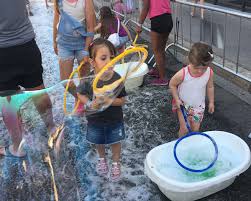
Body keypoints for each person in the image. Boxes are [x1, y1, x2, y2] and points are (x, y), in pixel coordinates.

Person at [0, 0, 57, 157]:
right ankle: (51, 128)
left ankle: (18, 146)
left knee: (9, 102)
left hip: (9, 49)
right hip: (25, 45)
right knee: (35, 93)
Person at [77, 38, 127, 181]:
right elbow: (80, 93)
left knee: (115, 142)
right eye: (103, 58)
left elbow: (122, 100)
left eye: (112, 57)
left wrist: (108, 100)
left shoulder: (117, 79)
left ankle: (116, 162)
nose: (109, 62)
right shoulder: (88, 79)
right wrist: (89, 104)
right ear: (93, 62)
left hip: (114, 120)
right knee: (98, 140)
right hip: (95, 120)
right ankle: (102, 158)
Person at [53, 0, 95, 110]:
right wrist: (54, 40)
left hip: (83, 44)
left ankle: (83, 101)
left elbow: (91, 28)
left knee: (84, 79)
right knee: (65, 82)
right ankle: (81, 99)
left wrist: (86, 50)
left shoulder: (86, 1)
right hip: (64, 44)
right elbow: (56, 19)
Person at [169, 42, 215, 137]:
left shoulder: (209, 72)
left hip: (198, 106)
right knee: (185, 128)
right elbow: (172, 84)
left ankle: (191, 144)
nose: (200, 71)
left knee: (195, 129)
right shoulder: (183, 73)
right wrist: (177, 99)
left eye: (204, 68)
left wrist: (211, 102)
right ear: (190, 61)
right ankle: (179, 143)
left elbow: (210, 87)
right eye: (196, 68)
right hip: (183, 104)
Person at [136, 0, 173, 86]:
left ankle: (163, 78)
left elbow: (145, 8)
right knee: (161, 49)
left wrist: (139, 24)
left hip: (158, 20)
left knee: (157, 50)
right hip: (168, 18)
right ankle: (158, 70)